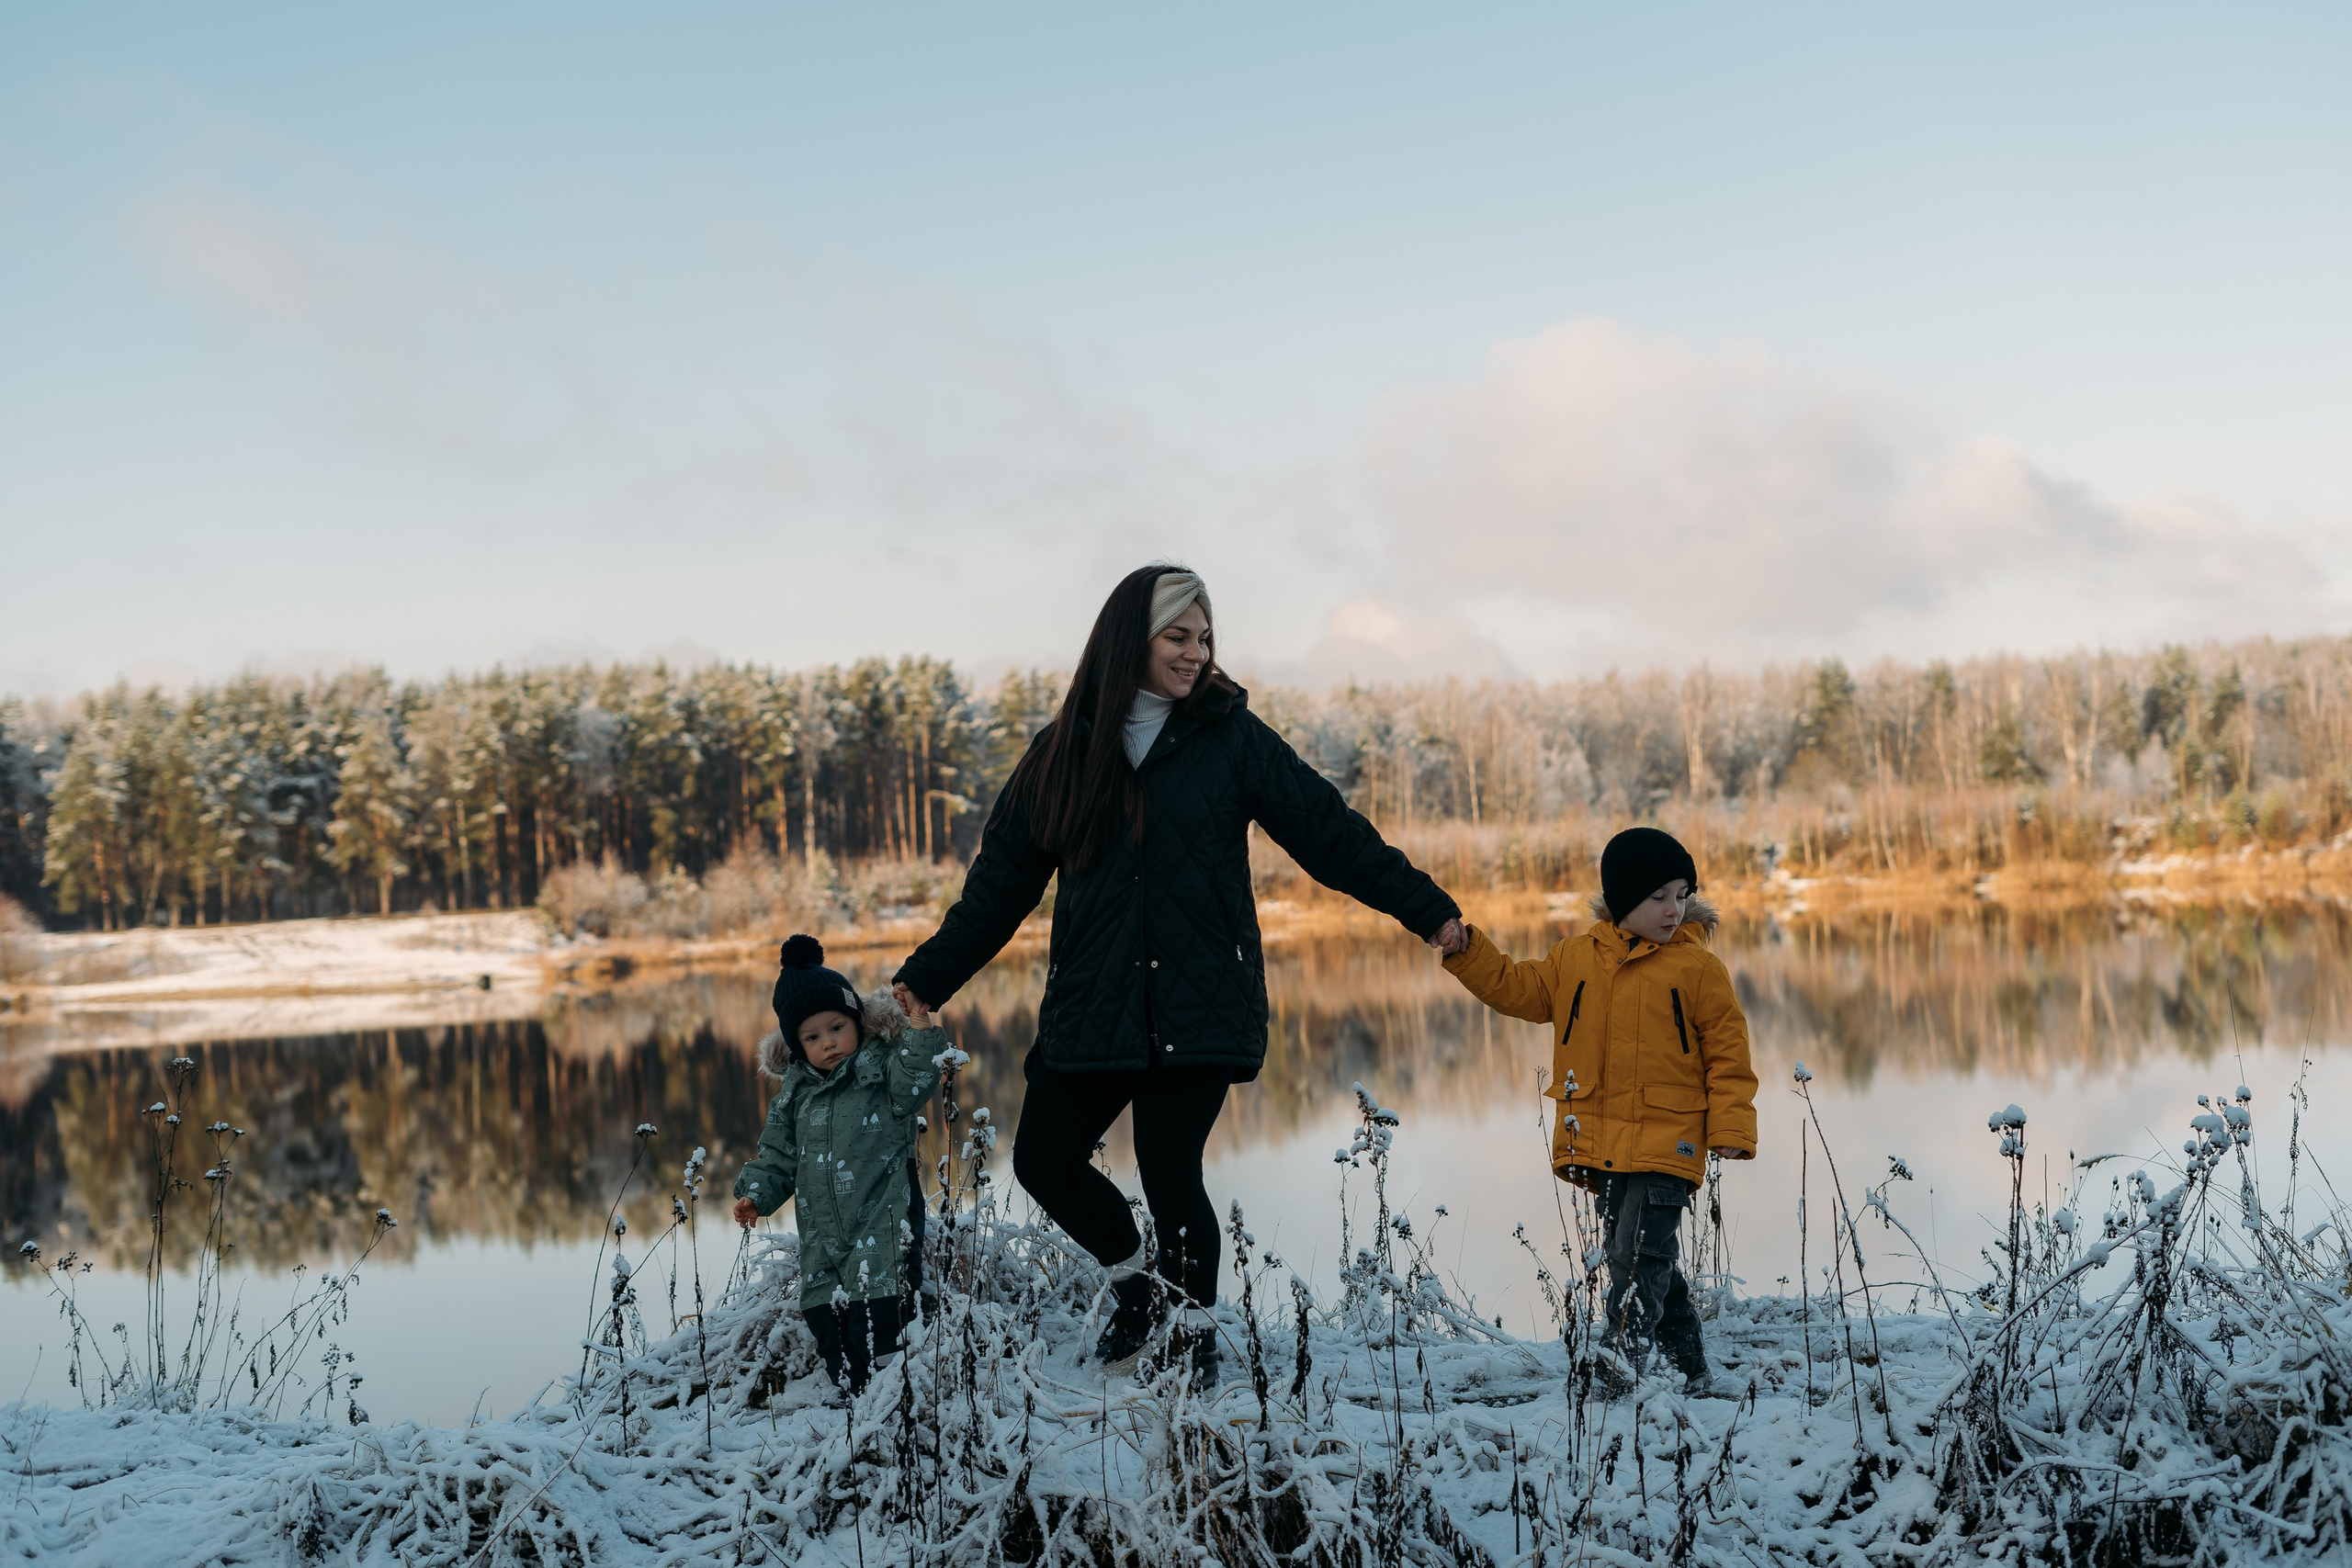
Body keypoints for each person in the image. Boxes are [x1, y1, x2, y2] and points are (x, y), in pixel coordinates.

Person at [891, 564, 1463, 1383]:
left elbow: (1329, 832)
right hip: (1096, 1001)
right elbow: (998, 889)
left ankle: (1189, 1345)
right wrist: (923, 982)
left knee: (1169, 1167)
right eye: (1178, 636)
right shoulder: (1064, 751)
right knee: (1044, 1158)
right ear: (1132, 637)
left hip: (1202, 998)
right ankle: (1139, 1290)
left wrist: (1428, 909)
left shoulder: (1231, 737)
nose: (1196, 654)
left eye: (1205, 638)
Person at [1436, 827, 1758, 1396]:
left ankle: (1618, 1361)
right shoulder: (1575, 960)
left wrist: (1730, 1126)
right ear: (1623, 899)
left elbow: (1729, 1055)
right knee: (1631, 1252)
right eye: (1658, 897)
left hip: (1670, 1137)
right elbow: (1516, 987)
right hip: (1604, 1140)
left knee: (1640, 1251)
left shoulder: (1698, 971)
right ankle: (1691, 1368)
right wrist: (1468, 952)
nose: (1672, 909)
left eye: (1681, 895)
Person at [733, 934, 945, 1396]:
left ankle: (895, 1401)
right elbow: (778, 1155)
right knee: (827, 1322)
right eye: (812, 1037)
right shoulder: (795, 1095)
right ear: (796, 1046)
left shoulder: (880, 1070)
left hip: (883, 1222)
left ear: (855, 1020)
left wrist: (919, 1030)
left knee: (882, 1318)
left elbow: (916, 1083)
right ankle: (851, 1403)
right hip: (823, 1236)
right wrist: (756, 1193)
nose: (828, 1043)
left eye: (836, 1028)